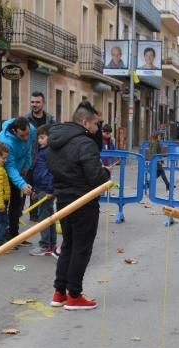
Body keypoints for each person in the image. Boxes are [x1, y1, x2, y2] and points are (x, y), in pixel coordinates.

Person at [47, 103, 111, 310]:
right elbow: (95, 177)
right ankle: (74, 295)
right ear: (84, 122)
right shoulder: (84, 143)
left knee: (68, 245)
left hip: (64, 200)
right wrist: (106, 174)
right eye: (94, 124)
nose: (96, 128)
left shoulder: (55, 140)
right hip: (83, 201)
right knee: (81, 248)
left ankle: (59, 293)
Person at [0, 116, 36, 242]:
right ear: (14, 131)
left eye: (27, 134)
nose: (25, 138)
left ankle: (13, 233)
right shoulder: (6, 142)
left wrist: (27, 166)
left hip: (20, 168)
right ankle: (0, 237)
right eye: (22, 136)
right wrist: (22, 184)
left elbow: (29, 148)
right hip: (5, 172)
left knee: (18, 204)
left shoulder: (31, 130)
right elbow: (10, 168)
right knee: (5, 203)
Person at [28, 126, 57, 257]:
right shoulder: (43, 151)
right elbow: (38, 171)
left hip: (46, 189)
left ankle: (45, 245)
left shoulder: (48, 153)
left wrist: (50, 190)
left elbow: (51, 173)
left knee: (44, 218)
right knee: (49, 217)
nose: (39, 140)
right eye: (38, 138)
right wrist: (35, 189)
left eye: (42, 138)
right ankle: (51, 244)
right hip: (42, 188)